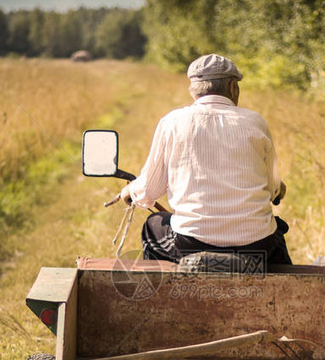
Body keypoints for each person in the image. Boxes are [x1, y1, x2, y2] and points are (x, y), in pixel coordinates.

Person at [120, 53, 292, 266]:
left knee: (153, 225)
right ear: (232, 87)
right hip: (255, 244)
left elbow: (148, 192)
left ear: (194, 89)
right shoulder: (256, 122)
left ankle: (164, 293)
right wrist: (277, 189)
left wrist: (130, 191)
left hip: (190, 242)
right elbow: (272, 187)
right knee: (276, 232)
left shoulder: (172, 122)